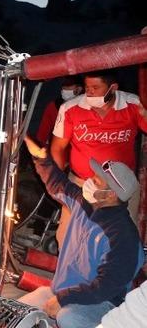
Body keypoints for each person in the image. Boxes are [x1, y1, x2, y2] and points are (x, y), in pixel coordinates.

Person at [19, 137, 143, 328]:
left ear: (111, 195)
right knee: (18, 312)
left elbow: (106, 288)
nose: (89, 181)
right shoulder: (84, 203)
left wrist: (64, 299)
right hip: (61, 293)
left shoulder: (123, 238)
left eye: (96, 181)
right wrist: (41, 157)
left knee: (69, 318)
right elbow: (58, 184)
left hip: (100, 303)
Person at [50, 70, 147, 231]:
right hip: (80, 184)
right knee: (69, 236)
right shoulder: (70, 108)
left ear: (113, 88)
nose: (90, 92)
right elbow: (57, 148)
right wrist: (58, 181)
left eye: (95, 87)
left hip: (121, 186)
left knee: (121, 236)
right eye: (87, 87)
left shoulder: (133, 105)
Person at [34, 75, 83, 147]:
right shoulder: (54, 106)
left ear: (79, 89)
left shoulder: (87, 107)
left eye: (68, 86)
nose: (65, 89)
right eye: (63, 86)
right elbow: (43, 134)